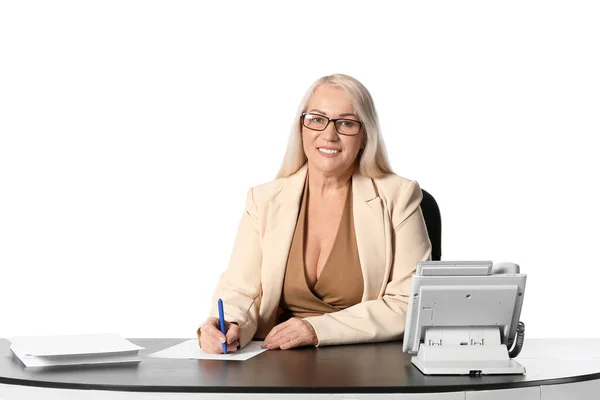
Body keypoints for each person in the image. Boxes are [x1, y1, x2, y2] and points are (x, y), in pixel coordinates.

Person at [197, 74, 432, 353]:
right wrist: (228, 325)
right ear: (302, 128)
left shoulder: (398, 196)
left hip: (366, 361)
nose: (329, 134)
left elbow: (409, 302)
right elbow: (240, 289)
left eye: (346, 123)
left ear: (365, 137)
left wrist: (315, 329)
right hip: (279, 361)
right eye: (317, 119)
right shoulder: (264, 200)